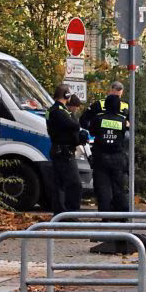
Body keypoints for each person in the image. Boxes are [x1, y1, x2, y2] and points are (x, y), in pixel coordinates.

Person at [87, 95, 131, 247]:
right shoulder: (122, 120)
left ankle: (105, 215)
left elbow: (91, 131)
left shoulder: (98, 119)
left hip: (101, 157)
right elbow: (126, 134)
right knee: (119, 186)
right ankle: (123, 214)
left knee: (102, 186)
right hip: (117, 157)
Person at [45, 85, 84, 214]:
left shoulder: (51, 110)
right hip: (64, 152)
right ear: (66, 96)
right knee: (74, 184)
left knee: (60, 184)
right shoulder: (59, 111)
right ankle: (70, 212)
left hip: (58, 149)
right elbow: (73, 125)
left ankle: (60, 212)